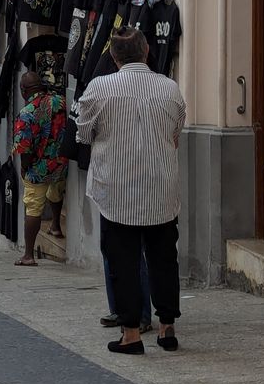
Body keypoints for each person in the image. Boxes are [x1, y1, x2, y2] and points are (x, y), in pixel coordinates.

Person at [77, 27, 186, 355]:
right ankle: (167, 327)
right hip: (161, 188)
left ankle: (131, 334)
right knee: (164, 259)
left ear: (113, 56)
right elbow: (177, 130)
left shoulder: (99, 88)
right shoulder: (170, 88)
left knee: (123, 263)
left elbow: (83, 134)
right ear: (147, 51)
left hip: (116, 191)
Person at [11, 71, 68, 266]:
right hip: (60, 161)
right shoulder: (60, 101)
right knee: (56, 191)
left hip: (38, 167)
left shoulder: (26, 113)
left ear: (23, 90)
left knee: (33, 206)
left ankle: (28, 255)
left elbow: (24, 148)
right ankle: (56, 225)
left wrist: (24, 168)